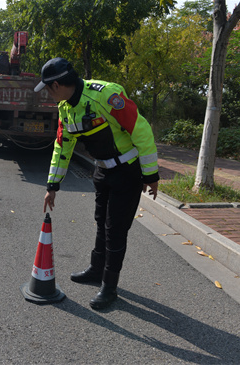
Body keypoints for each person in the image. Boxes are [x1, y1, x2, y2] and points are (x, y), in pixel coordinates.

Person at [34, 57, 159, 310]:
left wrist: (151, 175)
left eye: (47, 88)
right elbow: (63, 146)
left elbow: (141, 131)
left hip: (127, 172)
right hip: (102, 172)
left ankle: (109, 287)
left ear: (57, 85)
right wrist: (52, 185)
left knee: (116, 230)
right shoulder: (66, 107)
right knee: (101, 222)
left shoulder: (106, 96)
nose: (47, 94)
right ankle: (96, 269)